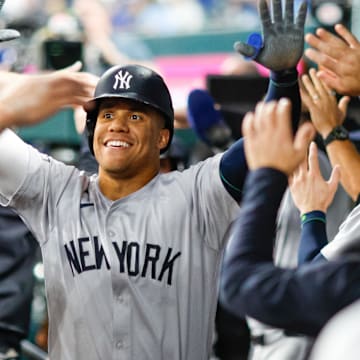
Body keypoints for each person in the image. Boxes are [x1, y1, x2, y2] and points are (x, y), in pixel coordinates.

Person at [0, 0, 309, 357]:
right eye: (107, 114)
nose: (117, 123)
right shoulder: (53, 190)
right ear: (93, 131)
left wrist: (284, 80)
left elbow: (267, 137)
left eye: (135, 116)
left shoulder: (198, 195)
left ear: (163, 136)